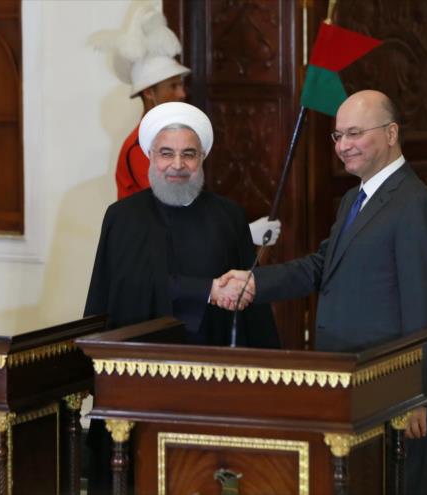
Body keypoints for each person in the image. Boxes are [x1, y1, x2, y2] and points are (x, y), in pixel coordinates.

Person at [219, 90, 427, 494]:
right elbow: (321, 266)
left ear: (391, 133)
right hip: (354, 385)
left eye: (355, 133)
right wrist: (255, 282)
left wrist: (414, 395)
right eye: (338, 135)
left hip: (393, 392)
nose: (343, 145)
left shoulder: (414, 204)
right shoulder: (353, 199)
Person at [84, 101, 280, 494]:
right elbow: (118, 291)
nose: (177, 165)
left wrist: (268, 373)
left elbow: (250, 299)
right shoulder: (122, 216)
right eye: (166, 153)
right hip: (138, 378)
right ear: (150, 157)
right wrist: (206, 290)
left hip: (210, 376)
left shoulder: (228, 216)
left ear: (202, 157)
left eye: (188, 154)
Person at [94, 3, 280, 245]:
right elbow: (173, 208)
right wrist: (240, 232)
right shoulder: (139, 147)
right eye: (173, 86)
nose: (182, 93)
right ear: (149, 92)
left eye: (180, 85)